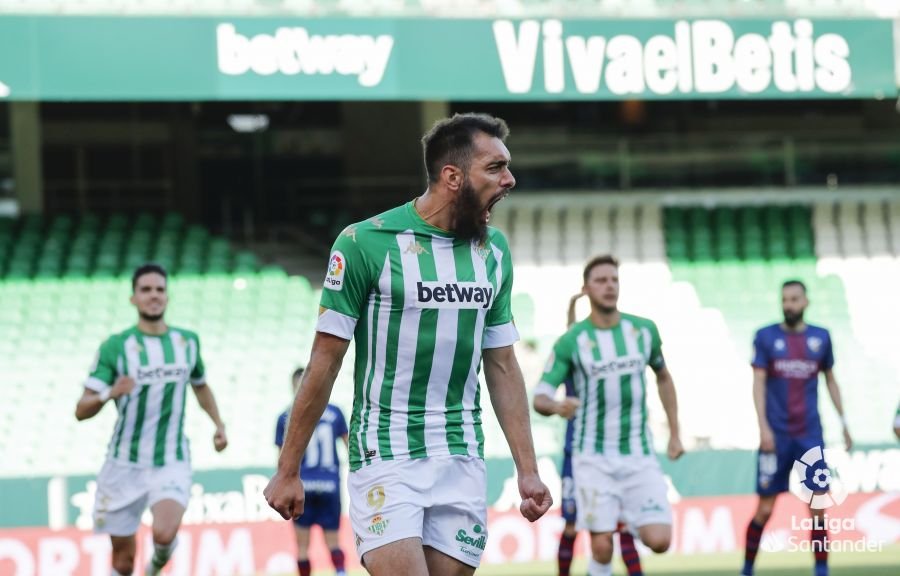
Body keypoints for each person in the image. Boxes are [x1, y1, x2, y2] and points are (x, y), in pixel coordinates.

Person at [264, 112, 552, 576]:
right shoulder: (364, 243)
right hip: (386, 450)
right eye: (496, 167)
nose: (510, 179)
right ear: (452, 177)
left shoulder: (494, 251)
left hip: (461, 453)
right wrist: (288, 467)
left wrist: (528, 469)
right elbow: (325, 361)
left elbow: (501, 365)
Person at [534, 255, 684, 576]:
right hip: (592, 457)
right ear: (586, 289)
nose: (609, 285)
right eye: (601, 280)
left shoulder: (643, 331)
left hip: (638, 455)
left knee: (660, 540)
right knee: (601, 546)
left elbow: (664, 376)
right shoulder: (572, 341)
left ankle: (623, 519)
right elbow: (540, 395)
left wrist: (674, 432)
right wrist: (558, 406)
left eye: (614, 279)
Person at [75, 263, 227, 576]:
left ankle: (156, 565)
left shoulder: (187, 342)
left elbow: (200, 385)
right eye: (146, 290)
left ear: (167, 297)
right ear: (134, 299)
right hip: (123, 465)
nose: (153, 295)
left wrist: (218, 424)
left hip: (170, 458)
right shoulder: (116, 347)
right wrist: (109, 393)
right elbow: (81, 409)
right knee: (122, 562)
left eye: (159, 289)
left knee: (164, 533)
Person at [742, 280, 852, 576]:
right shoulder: (765, 337)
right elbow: (759, 383)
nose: (788, 304)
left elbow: (830, 380)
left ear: (805, 302)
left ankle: (821, 570)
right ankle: (748, 568)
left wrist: (844, 424)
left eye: (794, 299)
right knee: (764, 510)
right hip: (776, 437)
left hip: (810, 437)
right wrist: (763, 428)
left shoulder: (821, 337)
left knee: (818, 509)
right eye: (784, 300)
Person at [539, 294, 645, 576]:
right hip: (577, 451)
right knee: (572, 526)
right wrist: (573, 302)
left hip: (610, 450)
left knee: (620, 525)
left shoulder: (607, 358)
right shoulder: (571, 355)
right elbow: (571, 333)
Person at [276, 367, 349, 576]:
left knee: (301, 546)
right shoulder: (335, 412)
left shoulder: (284, 417)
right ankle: (341, 573)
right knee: (333, 540)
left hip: (302, 485)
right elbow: (348, 445)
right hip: (330, 484)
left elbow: (281, 459)